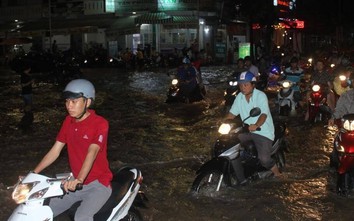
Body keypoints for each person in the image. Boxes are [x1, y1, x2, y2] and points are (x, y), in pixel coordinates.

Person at [32, 79, 113, 221]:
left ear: (87, 102)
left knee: (81, 217)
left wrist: (80, 179)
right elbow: (55, 151)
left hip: (98, 184)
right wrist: (33, 174)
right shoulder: (68, 121)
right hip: (75, 183)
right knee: (45, 211)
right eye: (67, 101)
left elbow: (92, 152)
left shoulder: (100, 123)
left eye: (74, 101)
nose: (69, 106)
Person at [224, 71, 282, 185]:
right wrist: (223, 123)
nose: (243, 87)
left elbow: (263, 115)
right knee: (228, 144)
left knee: (264, 159)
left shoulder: (260, 96)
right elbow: (231, 114)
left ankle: (277, 173)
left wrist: (256, 125)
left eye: (246, 84)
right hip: (246, 130)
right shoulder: (239, 97)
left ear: (253, 84)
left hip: (263, 131)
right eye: (241, 85)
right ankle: (240, 174)